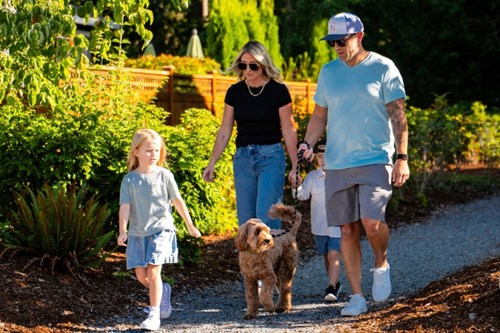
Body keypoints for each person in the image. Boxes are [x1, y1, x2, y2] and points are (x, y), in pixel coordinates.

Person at [297, 12, 410, 316]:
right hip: (337, 162)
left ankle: (381, 263)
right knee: (346, 231)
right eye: (332, 42)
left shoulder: (383, 67)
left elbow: (398, 116)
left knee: (372, 223)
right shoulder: (328, 72)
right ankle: (357, 295)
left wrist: (402, 158)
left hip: (376, 158)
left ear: (359, 37)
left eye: (341, 40)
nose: (336, 46)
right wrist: (308, 143)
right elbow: (320, 115)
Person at [202, 40, 300, 230]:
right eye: (242, 65)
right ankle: (250, 261)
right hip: (243, 159)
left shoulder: (278, 91)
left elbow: (288, 129)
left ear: (263, 64)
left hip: (271, 157)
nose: (247, 69)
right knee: (246, 225)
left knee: (267, 218)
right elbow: (225, 128)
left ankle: (268, 260)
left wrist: (295, 166)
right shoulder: (235, 92)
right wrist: (212, 161)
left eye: (253, 65)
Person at [118, 129, 201, 331]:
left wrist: (190, 225)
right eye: (148, 151)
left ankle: (154, 315)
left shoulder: (165, 175)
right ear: (136, 152)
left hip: (161, 230)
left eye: (156, 150)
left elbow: (177, 201)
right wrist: (123, 230)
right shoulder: (129, 179)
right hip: (138, 233)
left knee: (154, 270)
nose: (154, 154)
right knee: (141, 276)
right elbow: (125, 207)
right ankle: (163, 290)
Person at [295, 140, 342, 302]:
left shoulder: (341, 176)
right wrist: (298, 185)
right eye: (320, 156)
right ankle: (335, 282)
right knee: (325, 255)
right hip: (320, 226)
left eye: (327, 156)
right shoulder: (313, 177)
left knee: (333, 253)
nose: (323, 160)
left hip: (337, 225)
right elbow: (302, 196)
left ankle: (331, 287)